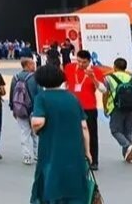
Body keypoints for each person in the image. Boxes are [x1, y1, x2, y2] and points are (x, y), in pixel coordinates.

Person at [30, 64, 91, 204]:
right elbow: (84, 126)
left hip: (51, 151)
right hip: (75, 153)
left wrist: (35, 128)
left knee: (50, 187)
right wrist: (87, 151)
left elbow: (38, 122)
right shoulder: (73, 98)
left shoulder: (42, 98)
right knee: (75, 189)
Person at [63, 49, 106, 170]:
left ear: (89, 61)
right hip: (71, 107)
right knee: (71, 133)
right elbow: (64, 83)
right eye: (79, 61)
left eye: (84, 62)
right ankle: (74, 159)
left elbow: (103, 89)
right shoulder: (69, 67)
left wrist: (93, 78)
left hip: (89, 107)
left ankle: (93, 161)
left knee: (91, 134)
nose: (81, 64)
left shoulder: (96, 71)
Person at [103, 57, 132, 163]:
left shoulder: (109, 78)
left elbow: (105, 94)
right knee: (128, 132)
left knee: (115, 130)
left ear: (114, 67)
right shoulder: (131, 79)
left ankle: (127, 146)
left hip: (116, 107)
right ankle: (127, 154)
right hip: (131, 107)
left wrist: (105, 107)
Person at [9, 55, 40, 165]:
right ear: (27, 65)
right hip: (33, 110)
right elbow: (39, 94)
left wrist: (12, 108)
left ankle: (26, 156)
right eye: (33, 64)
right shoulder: (34, 78)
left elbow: (12, 94)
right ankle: (37, 155)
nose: (34, 66)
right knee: (36, 133)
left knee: (24, 132)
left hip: (19, 109)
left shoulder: (15, 77)